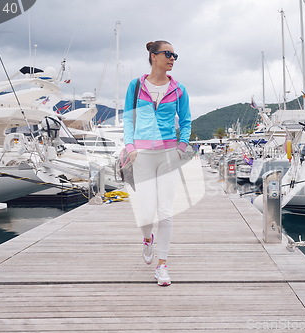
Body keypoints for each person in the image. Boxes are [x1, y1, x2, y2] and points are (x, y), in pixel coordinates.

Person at [123, 40, 191, 286]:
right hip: (141, 155)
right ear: (154, 56)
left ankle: (162, 265)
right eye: (168, 53)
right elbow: (128, 120)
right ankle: (147, 239)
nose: (172, 58)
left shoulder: (179, 89)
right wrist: (130, 147)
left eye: (175, 55)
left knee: (165, 212)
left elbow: (186, 121)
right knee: (146, 213)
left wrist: (181, 148)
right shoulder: (136, 85)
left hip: (167, 155)